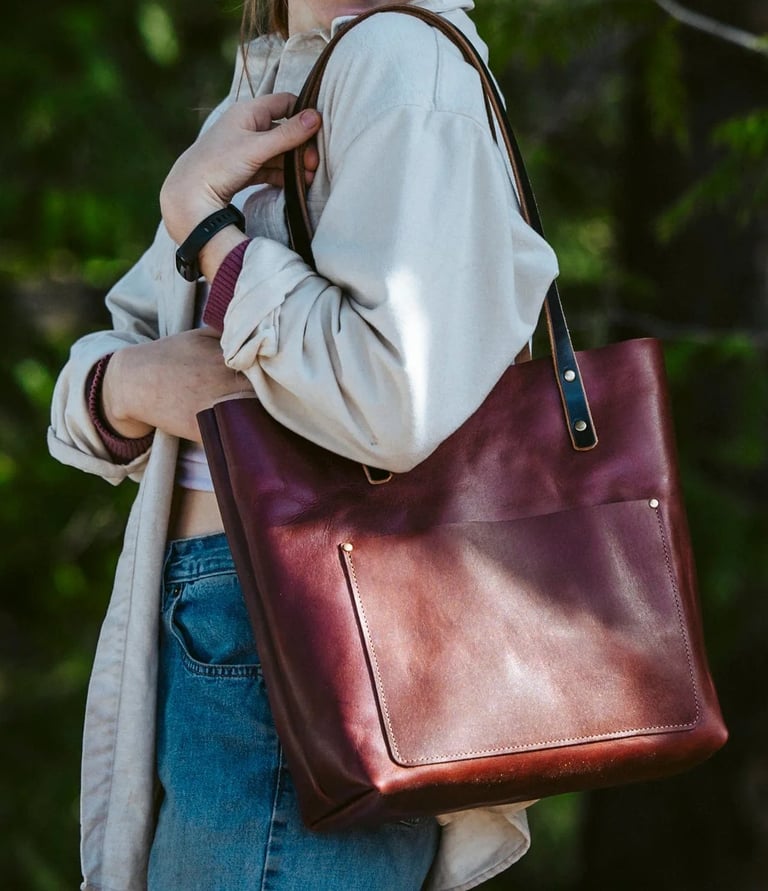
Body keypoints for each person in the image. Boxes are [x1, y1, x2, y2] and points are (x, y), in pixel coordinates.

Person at [48, 0, 559, 888]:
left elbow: (392, 402)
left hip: (304, 622)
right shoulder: (277, 75)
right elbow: (116, 361)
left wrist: (207, 229)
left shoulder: (403, 62)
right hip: (232, 618)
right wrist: (127, 387)